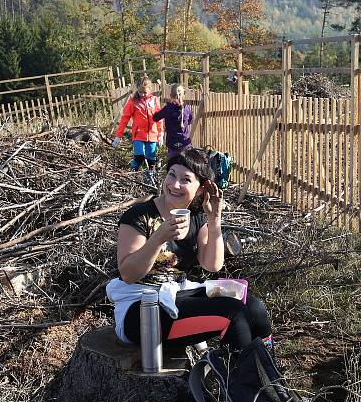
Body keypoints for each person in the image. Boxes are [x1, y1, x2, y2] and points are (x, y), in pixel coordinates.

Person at [105, 148, 273, 352]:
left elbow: (212, 264)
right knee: (233, 313)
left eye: (185, 179)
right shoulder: (139, 215)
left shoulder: (196, 217)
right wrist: (158, 238)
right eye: (171, 175)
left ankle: (266, 372)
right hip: (140, 309)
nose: (175, 185)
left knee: (254, 307)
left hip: (175, 296)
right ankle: (240, 380)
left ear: (201, 189)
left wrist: (214, 218)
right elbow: (128, 274)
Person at [112, 76, 163, 182]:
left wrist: (160, 135)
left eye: (145, 92)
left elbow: (159, 119)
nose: (142, 94)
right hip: (138, 135)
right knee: (139, 156)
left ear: (150, 89)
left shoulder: (154, 101)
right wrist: (118, 136)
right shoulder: (133, 102)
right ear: (137, 89)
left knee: (151, 159)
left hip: (152, 136)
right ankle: (132, 175)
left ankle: (149, 181)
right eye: (140, 92)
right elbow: (124, 119)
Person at [153, 83, 193, 160]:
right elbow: (190, 121)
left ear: (170, 95)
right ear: (183, 94)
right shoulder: (187, 108)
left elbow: (155, 118)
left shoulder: (167, 109)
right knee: (187, 166)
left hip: (172, 144)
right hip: (185, 143)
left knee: (172, 167)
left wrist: (155, 107)